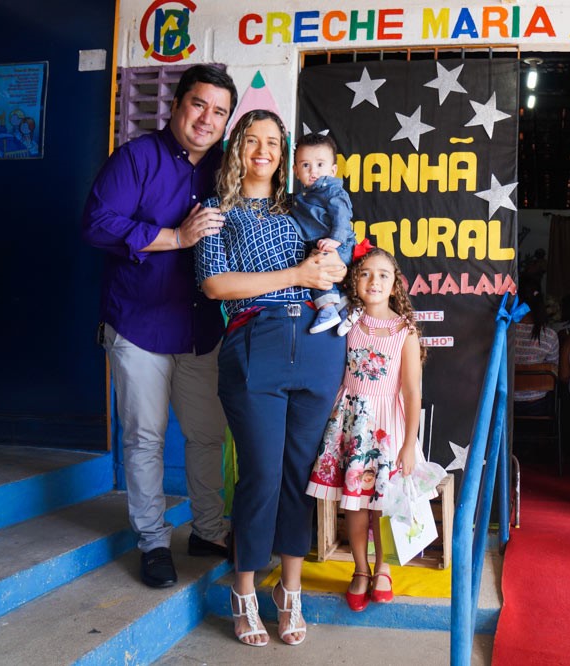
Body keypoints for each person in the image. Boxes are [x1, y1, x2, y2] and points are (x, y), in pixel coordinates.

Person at [81, 64, 238, 589]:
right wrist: (175, 237)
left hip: (200, 327)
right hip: (138, 324)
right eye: (198, 104)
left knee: (207, 435)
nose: (207, 119)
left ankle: (209, 530)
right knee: (145, 438)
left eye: (219, 112)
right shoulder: (135, 158)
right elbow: (97, 225)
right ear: (176, 105)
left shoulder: (227, 167)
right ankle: (152, 542)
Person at [196, 109, 348, 647]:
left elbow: (335, 261)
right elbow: (215, 285)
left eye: (273, 143)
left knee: (299, 474)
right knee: (260, 473)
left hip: (317, 343)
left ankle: (289, 590)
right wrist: (298, 274)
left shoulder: (303, 204)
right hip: (255, 340)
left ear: (284, 155)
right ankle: (243, 592)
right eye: (252, 140)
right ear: (237, 147)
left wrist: (334, 267)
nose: (263, 151)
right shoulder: (216, 210)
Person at [305, 246, 426, 612]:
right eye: (365, 273)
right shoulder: (344, 322)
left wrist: (408, 444)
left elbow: (412, 390)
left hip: (388, 426)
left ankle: (383, 567)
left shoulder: (404, 331)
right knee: (355, 504)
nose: (374, 281)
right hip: (351, 423)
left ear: (395, 284)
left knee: (383, 505)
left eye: (383, 275)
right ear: (354, 280)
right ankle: (360, 569)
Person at [290, 132, 357, 334]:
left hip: (339, 244)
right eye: (305, 165)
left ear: (333, 170)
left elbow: (342, 216)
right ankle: (346, 309)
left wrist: (335, 240)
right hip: (321, 243)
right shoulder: (303, 197)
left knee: (318, 271)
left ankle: (327, 309)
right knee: (319, 272)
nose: (313, 171)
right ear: (295, 171)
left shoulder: (332, 191)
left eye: (320, 164)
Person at [513, 281, 560, 416]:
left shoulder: (504, 333)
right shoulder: (549, 335)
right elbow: (553, 372)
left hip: (507, 401)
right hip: (538, 404)